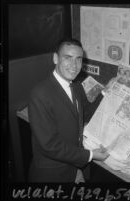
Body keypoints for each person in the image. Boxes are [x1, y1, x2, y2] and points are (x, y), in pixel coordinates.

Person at [28, 38, 110, 183]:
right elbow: (50, 146)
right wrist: (90, 155)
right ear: (55, 58)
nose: (74, 65)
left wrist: (105, 92)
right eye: (68, 58)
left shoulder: (76, 86)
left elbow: (87, 113)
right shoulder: (40, 94)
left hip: (73, 165)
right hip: (52, 173)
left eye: (79, 59)